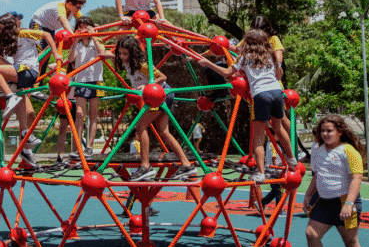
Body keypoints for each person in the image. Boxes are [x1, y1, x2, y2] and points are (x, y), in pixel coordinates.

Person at [200, 29, 295, 183]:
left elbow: (227, 72)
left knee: (258, 137)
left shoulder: (244, 57)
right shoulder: (270, 55)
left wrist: (209, 64)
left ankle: (261, 173)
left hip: (261, 94)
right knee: (278, 127)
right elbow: (279, 74)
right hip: (277, 93)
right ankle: (292, 159)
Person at [300, 115, 368, 247]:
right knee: (311, 234)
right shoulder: (318, 150)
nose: (325, 134)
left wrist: (349, 204)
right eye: (322, 130)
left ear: (340, 131)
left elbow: (357, 178)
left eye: (329, 130)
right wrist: (308, 194)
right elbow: (317, 175)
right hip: (324, 202)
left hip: (344, 202)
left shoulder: (348, 151)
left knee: (351, 242)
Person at [114, 35, 197, 182]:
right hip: (160, 96)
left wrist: (146, 86)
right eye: (120, 53)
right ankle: (186, 164)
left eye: (125, 54)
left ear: (133, 53)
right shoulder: (127, 63)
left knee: (141, 126)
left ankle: (145, 166)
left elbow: (163, 77)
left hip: (160, 95)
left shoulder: (142, 65)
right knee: (164, 132)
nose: (122, 57)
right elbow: (111, 57)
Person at [0, 13, 63, 166]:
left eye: (1, 28)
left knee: (29, 113)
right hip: (14, 74)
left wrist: (56, 55)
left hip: (24, 72)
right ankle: (25, 138)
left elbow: (46, 36)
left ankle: (10, 96)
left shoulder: (23, 33)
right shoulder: (3, 40)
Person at [67, 16, 113, 159]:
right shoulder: (77, 44)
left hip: (96, 80)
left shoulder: (96, 40)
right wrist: (75, 41)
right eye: (80, 26)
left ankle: (89, 147)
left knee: (93, 114)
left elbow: (102, 53)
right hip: (80, 81)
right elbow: (70, 59)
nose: (83, 29)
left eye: (86, 26)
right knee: (79, 114)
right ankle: (78, 147)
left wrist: (93, 35)